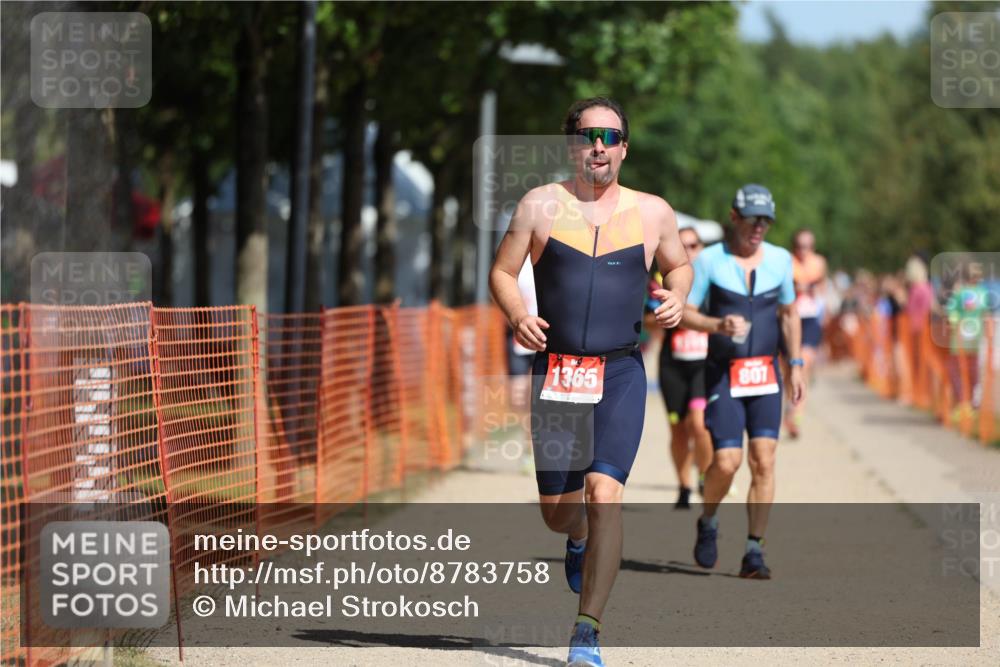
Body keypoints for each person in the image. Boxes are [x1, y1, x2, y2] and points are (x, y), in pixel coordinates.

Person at [489, 96, 692, 667]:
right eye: (586, 136)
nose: (597, 146)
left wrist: (677, 296)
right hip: (557, 371)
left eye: (608, 136)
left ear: (624, 147)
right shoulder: (539, 206)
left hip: (621, 371)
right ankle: (574, 537)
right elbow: (502, 271)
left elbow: (678, 265)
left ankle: (586, 631)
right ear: (572, 145)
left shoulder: (653, 212)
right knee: (558, 510)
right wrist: (518, 315)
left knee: (605, 493)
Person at [679, 184, 804, 580]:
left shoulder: (781, 260)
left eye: (766, 220)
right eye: (752, 219)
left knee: (764, 460)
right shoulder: (709, 261)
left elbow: (788, 313)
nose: (759, 227)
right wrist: (717, 324)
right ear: (735, 217)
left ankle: (754, 550)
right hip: (724, 374)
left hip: (766, 373)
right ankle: (709, 519)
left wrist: (796, 364)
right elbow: (684, 312)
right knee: (728, 462)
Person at [655, 227, 713, 509]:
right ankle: (684, 487)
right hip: (673, 362)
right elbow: (646, 318)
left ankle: (703, 471)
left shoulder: (715, 278)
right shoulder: (662, 279)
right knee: (678, 429)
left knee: (699, 424)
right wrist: (663, 312)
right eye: (683, 244)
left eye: (694, 244)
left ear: (702, 247)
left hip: (705, 362)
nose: (688, 249)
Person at [783, 228, 826, 438]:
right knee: (789, 370)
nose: (804, 250)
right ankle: (789, 404)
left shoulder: (819, 262)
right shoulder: (787, 262)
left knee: (804, 364)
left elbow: (822, 289)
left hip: (810, 319)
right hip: (790, 317)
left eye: (808, 246)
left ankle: (795, 414)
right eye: (800, 246)